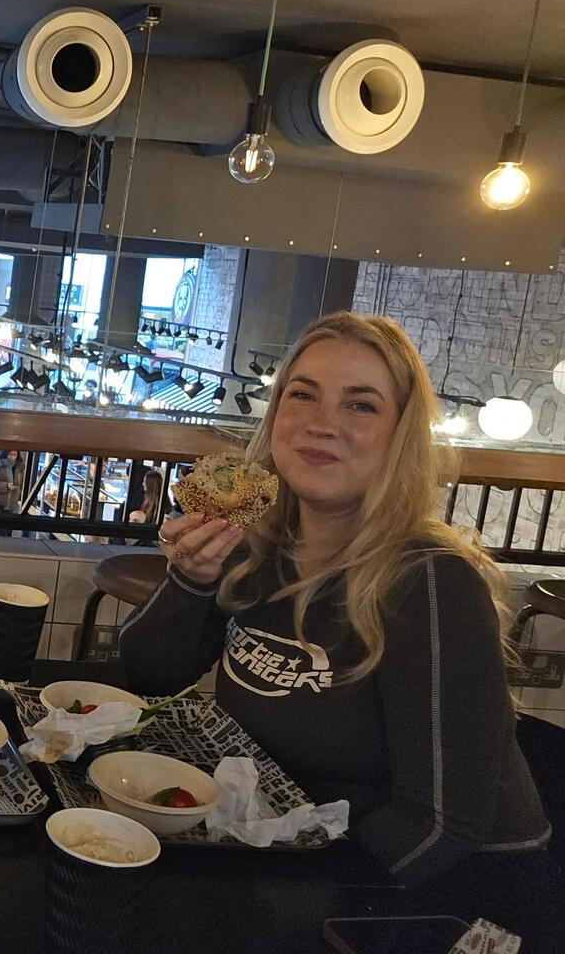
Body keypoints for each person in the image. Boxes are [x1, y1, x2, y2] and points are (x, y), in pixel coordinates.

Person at [119, 312, 552, 935]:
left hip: (438, 900)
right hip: (292, 847)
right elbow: (149, 677)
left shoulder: (431, 581)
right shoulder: (260, 545)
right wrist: (190, 579)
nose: (321, 423)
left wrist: (281, 907)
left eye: (361, 405)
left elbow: (443, 824)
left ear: (399, 436)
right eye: (303, 394)